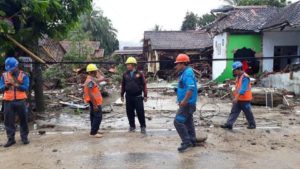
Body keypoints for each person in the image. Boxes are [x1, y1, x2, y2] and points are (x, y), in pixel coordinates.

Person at [0, 57, 30, 148]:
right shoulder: (4, 76)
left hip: (20, 101)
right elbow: (0, 88)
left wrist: (15, 84)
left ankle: (24, 137)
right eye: (9, 69)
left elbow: (25, 88)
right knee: (8, 121)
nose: (10, 71)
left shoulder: (23, 75)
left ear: (16, 66)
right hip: (8, 101)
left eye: (12, 68)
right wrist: (5, 86)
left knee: (23, 119)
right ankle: (11, 139)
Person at [221, 61, 256, 130]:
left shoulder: (245, 78)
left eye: (235, 70)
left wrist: (236, 98)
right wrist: (229, 83)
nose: (234, 72)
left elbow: (242, 90)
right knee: (234, 112)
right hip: (239, 98)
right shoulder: (239, 76)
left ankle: (252, 124)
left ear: (239, 69)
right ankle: (229, 124)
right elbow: (238, 86)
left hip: (245, 99)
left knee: (248, 112)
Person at [173, 54, 198, 152]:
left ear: (182, 64)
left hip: (187, 103)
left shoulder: (187, 73)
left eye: (177, 64)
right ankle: (192, 140)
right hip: (188, 103)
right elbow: (185, 86)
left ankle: (186, 141)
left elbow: (191, 88)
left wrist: (184, 101)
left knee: (178, 122)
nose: (176, 66)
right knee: (188, 122)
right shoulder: (185, 72)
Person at [121, 57, 147, 134]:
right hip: (128, 96)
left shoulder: (140, 74)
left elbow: (144, 84)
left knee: (140, 112)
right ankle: (132, 126)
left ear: (133, 65)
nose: (127, 66)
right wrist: (122, 95)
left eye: (129, 64)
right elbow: (123, 85)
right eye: (127, 65)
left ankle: (143, 127)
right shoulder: (125, 74)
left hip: (138, 97)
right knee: (129, 112)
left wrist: (145, 95)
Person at [84, 64, 106, 138]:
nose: (97, 72)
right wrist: (94, 105)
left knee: (93, 116)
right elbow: (90, 93)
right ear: (93, 72)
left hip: (94, 101)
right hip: (94, 102)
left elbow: (100, 79)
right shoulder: (90, 81)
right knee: (98, 117)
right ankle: (93, 133)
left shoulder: (90, 79)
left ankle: (95, 130)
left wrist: (99, 71)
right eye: (96, 71)